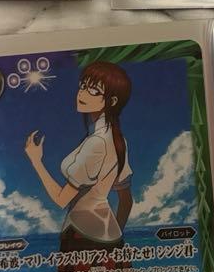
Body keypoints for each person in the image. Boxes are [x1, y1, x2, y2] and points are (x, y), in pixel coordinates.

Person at [24, 62, 134, 254]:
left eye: (94, 91)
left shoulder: (97, 142)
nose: (82, 93)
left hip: (81, 237)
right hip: (110, 238)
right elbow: (126, 200)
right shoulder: (117, 140)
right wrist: (115, 238)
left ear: (112, 101)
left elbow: (61, 199)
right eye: (83, 86)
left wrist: (36, 161)